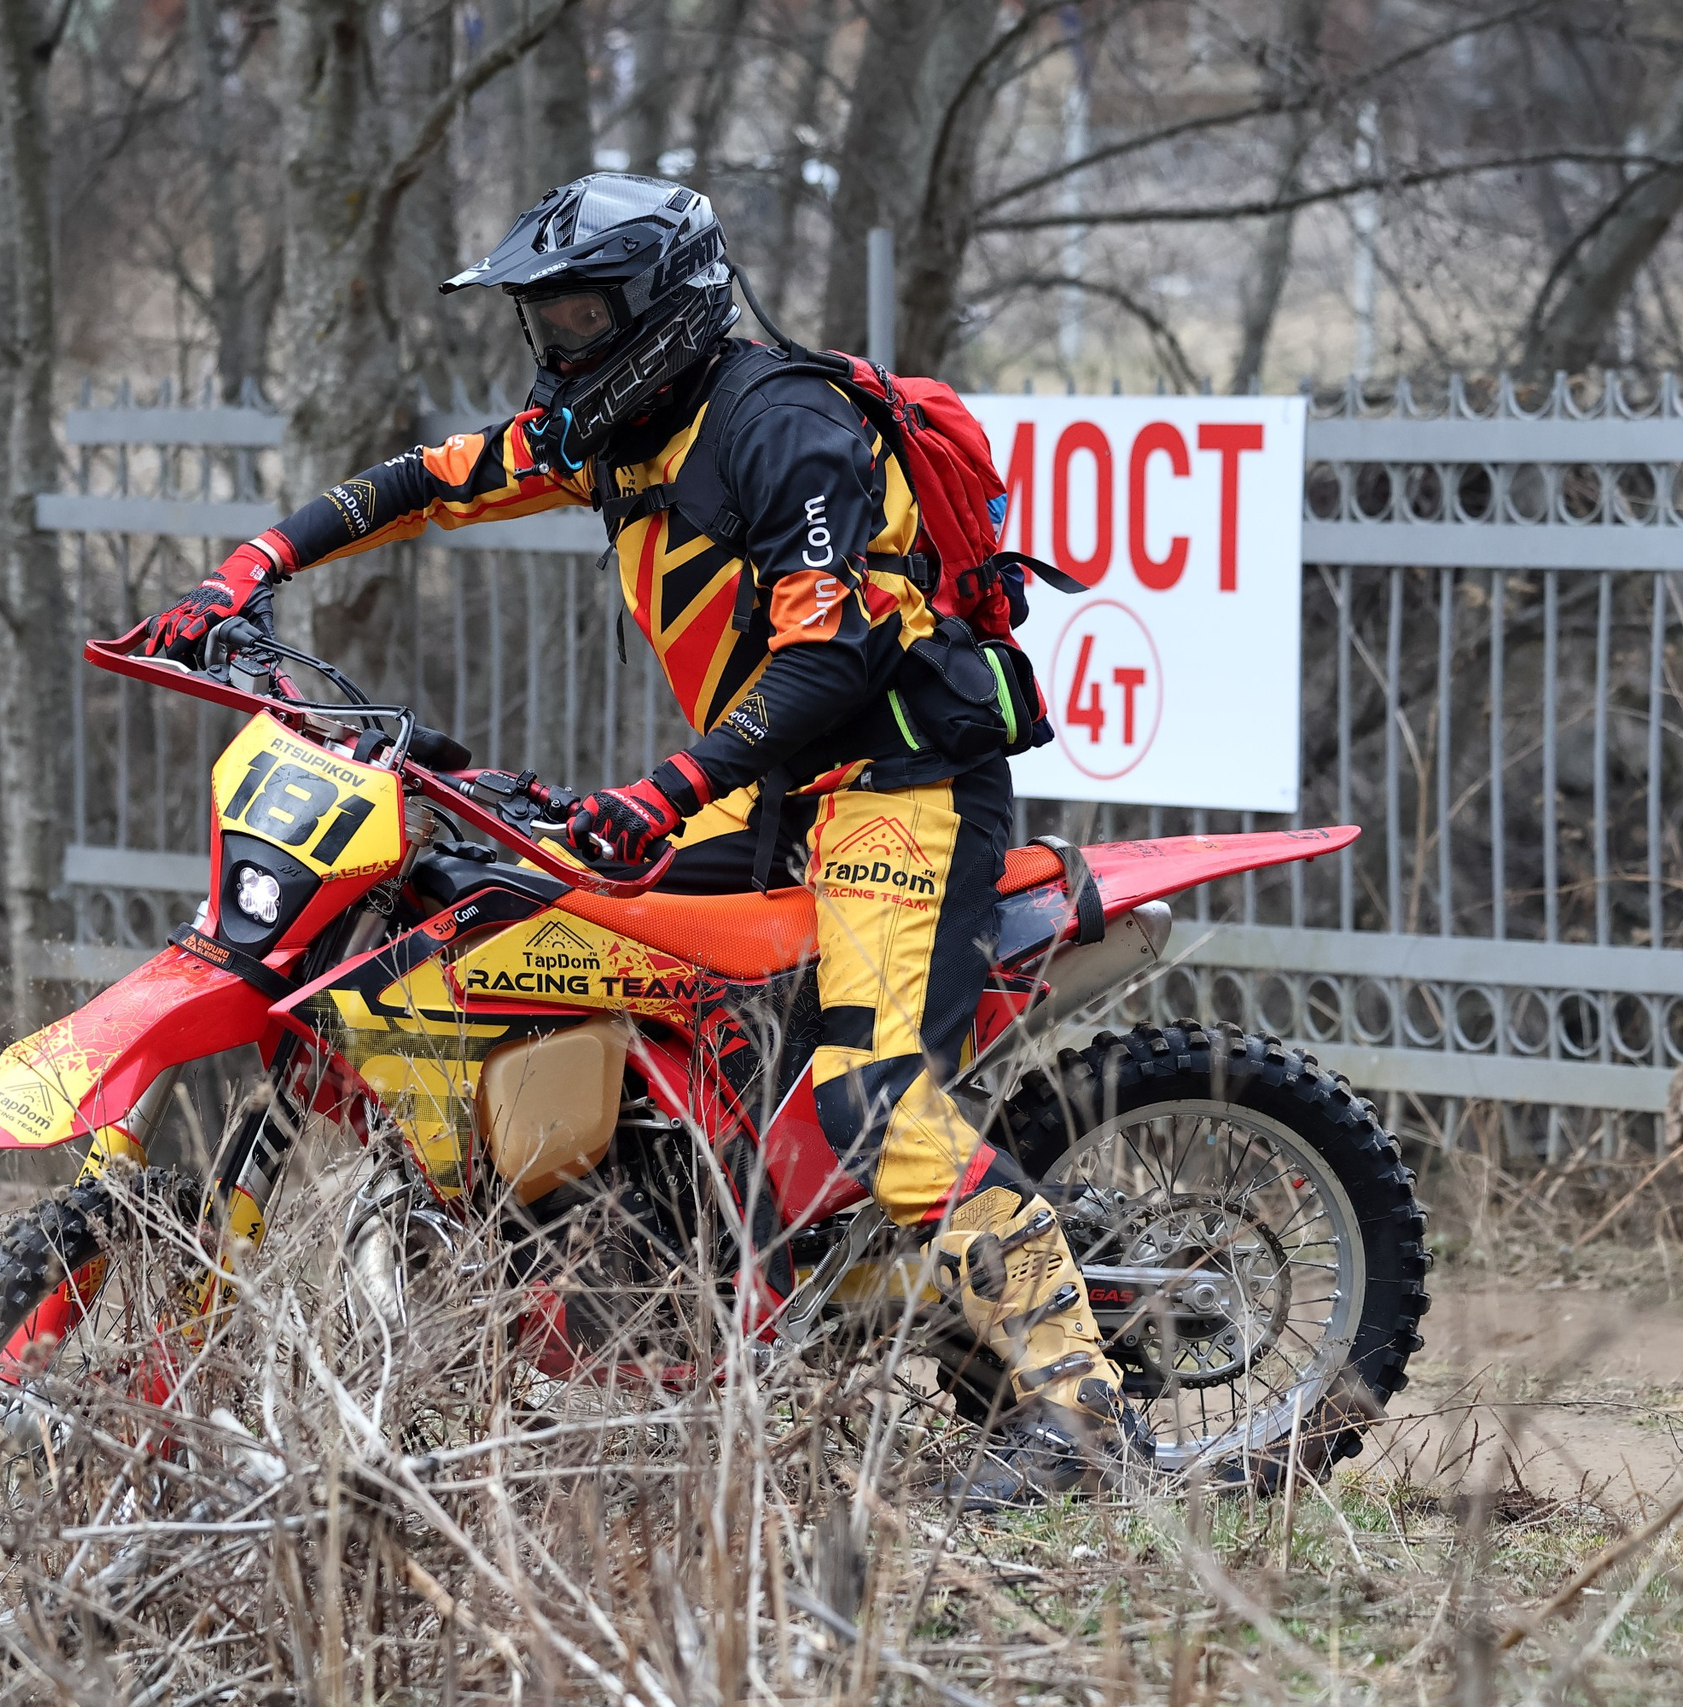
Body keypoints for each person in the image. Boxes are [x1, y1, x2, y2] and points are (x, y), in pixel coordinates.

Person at [144, 173, 1148, 1506]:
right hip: (766, 794)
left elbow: (830, 657)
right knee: (515, 932)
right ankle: (656, 1265)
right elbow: (427, 483)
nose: (558, 340)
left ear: (662, 304)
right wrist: (249, 567)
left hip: (897, 786)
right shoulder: (610, 431)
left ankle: (1085, 1414)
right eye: (543, 316)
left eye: (580, 309)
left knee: (867, 1094)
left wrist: (665, 790)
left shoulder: (782, 427)